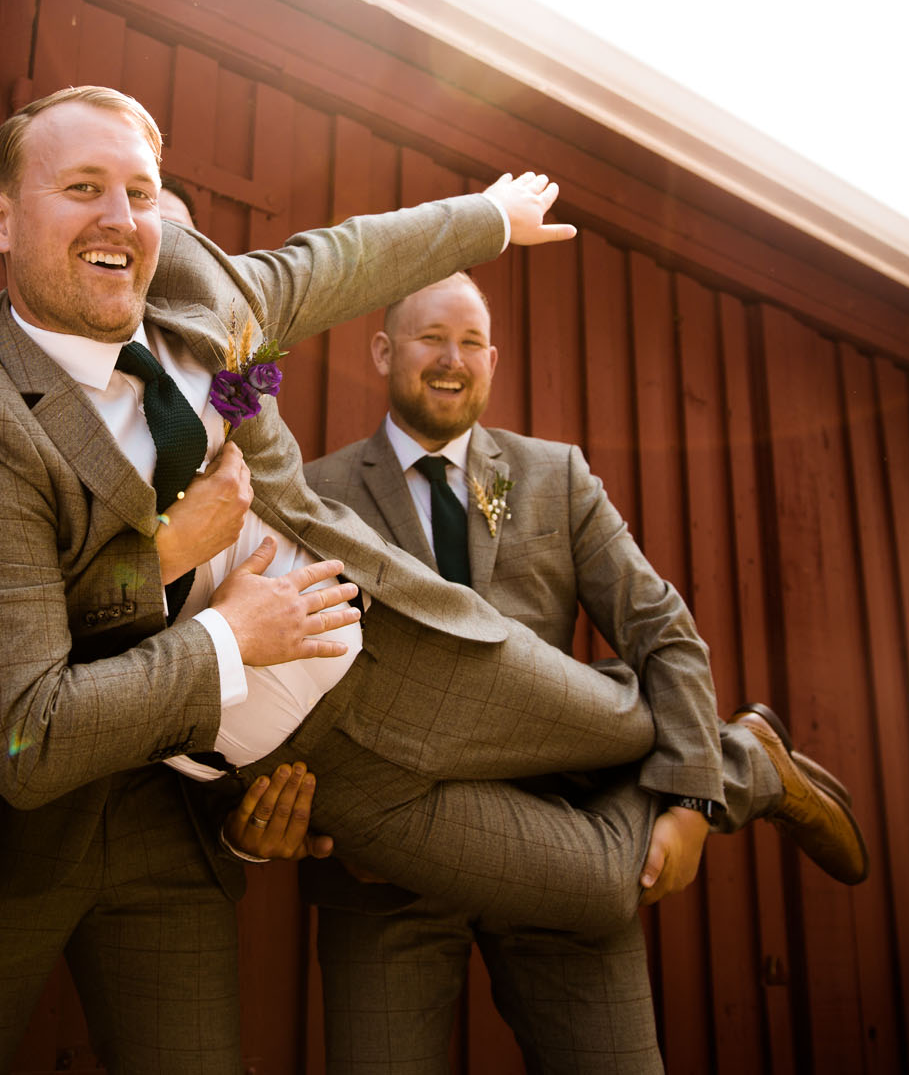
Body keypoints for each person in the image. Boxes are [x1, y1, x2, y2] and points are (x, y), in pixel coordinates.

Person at [0, 86, 865, 1072]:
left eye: (141, 197)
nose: (124, 224)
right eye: (83, 189)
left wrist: (490, 216)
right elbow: (27, 678)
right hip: (310, 757)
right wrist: (188, 585)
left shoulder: (206, 298)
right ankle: (747, 762)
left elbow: (343, 257)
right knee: (588, 881)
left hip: (398, 655)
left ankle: (741, 764)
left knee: (628, 727)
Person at [303, 271, 762, 1072]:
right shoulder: (318, 491)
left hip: (560, 835)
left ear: (494, 359)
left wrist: (689, 801)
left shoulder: (555, 476)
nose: (453, 359)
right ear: (382, 350)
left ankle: (731, 764)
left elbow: (663, 631)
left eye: (472, 342)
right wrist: (321, 820)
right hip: (385, 875)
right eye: (430, 338)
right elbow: (294, 672)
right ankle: (753, 759)